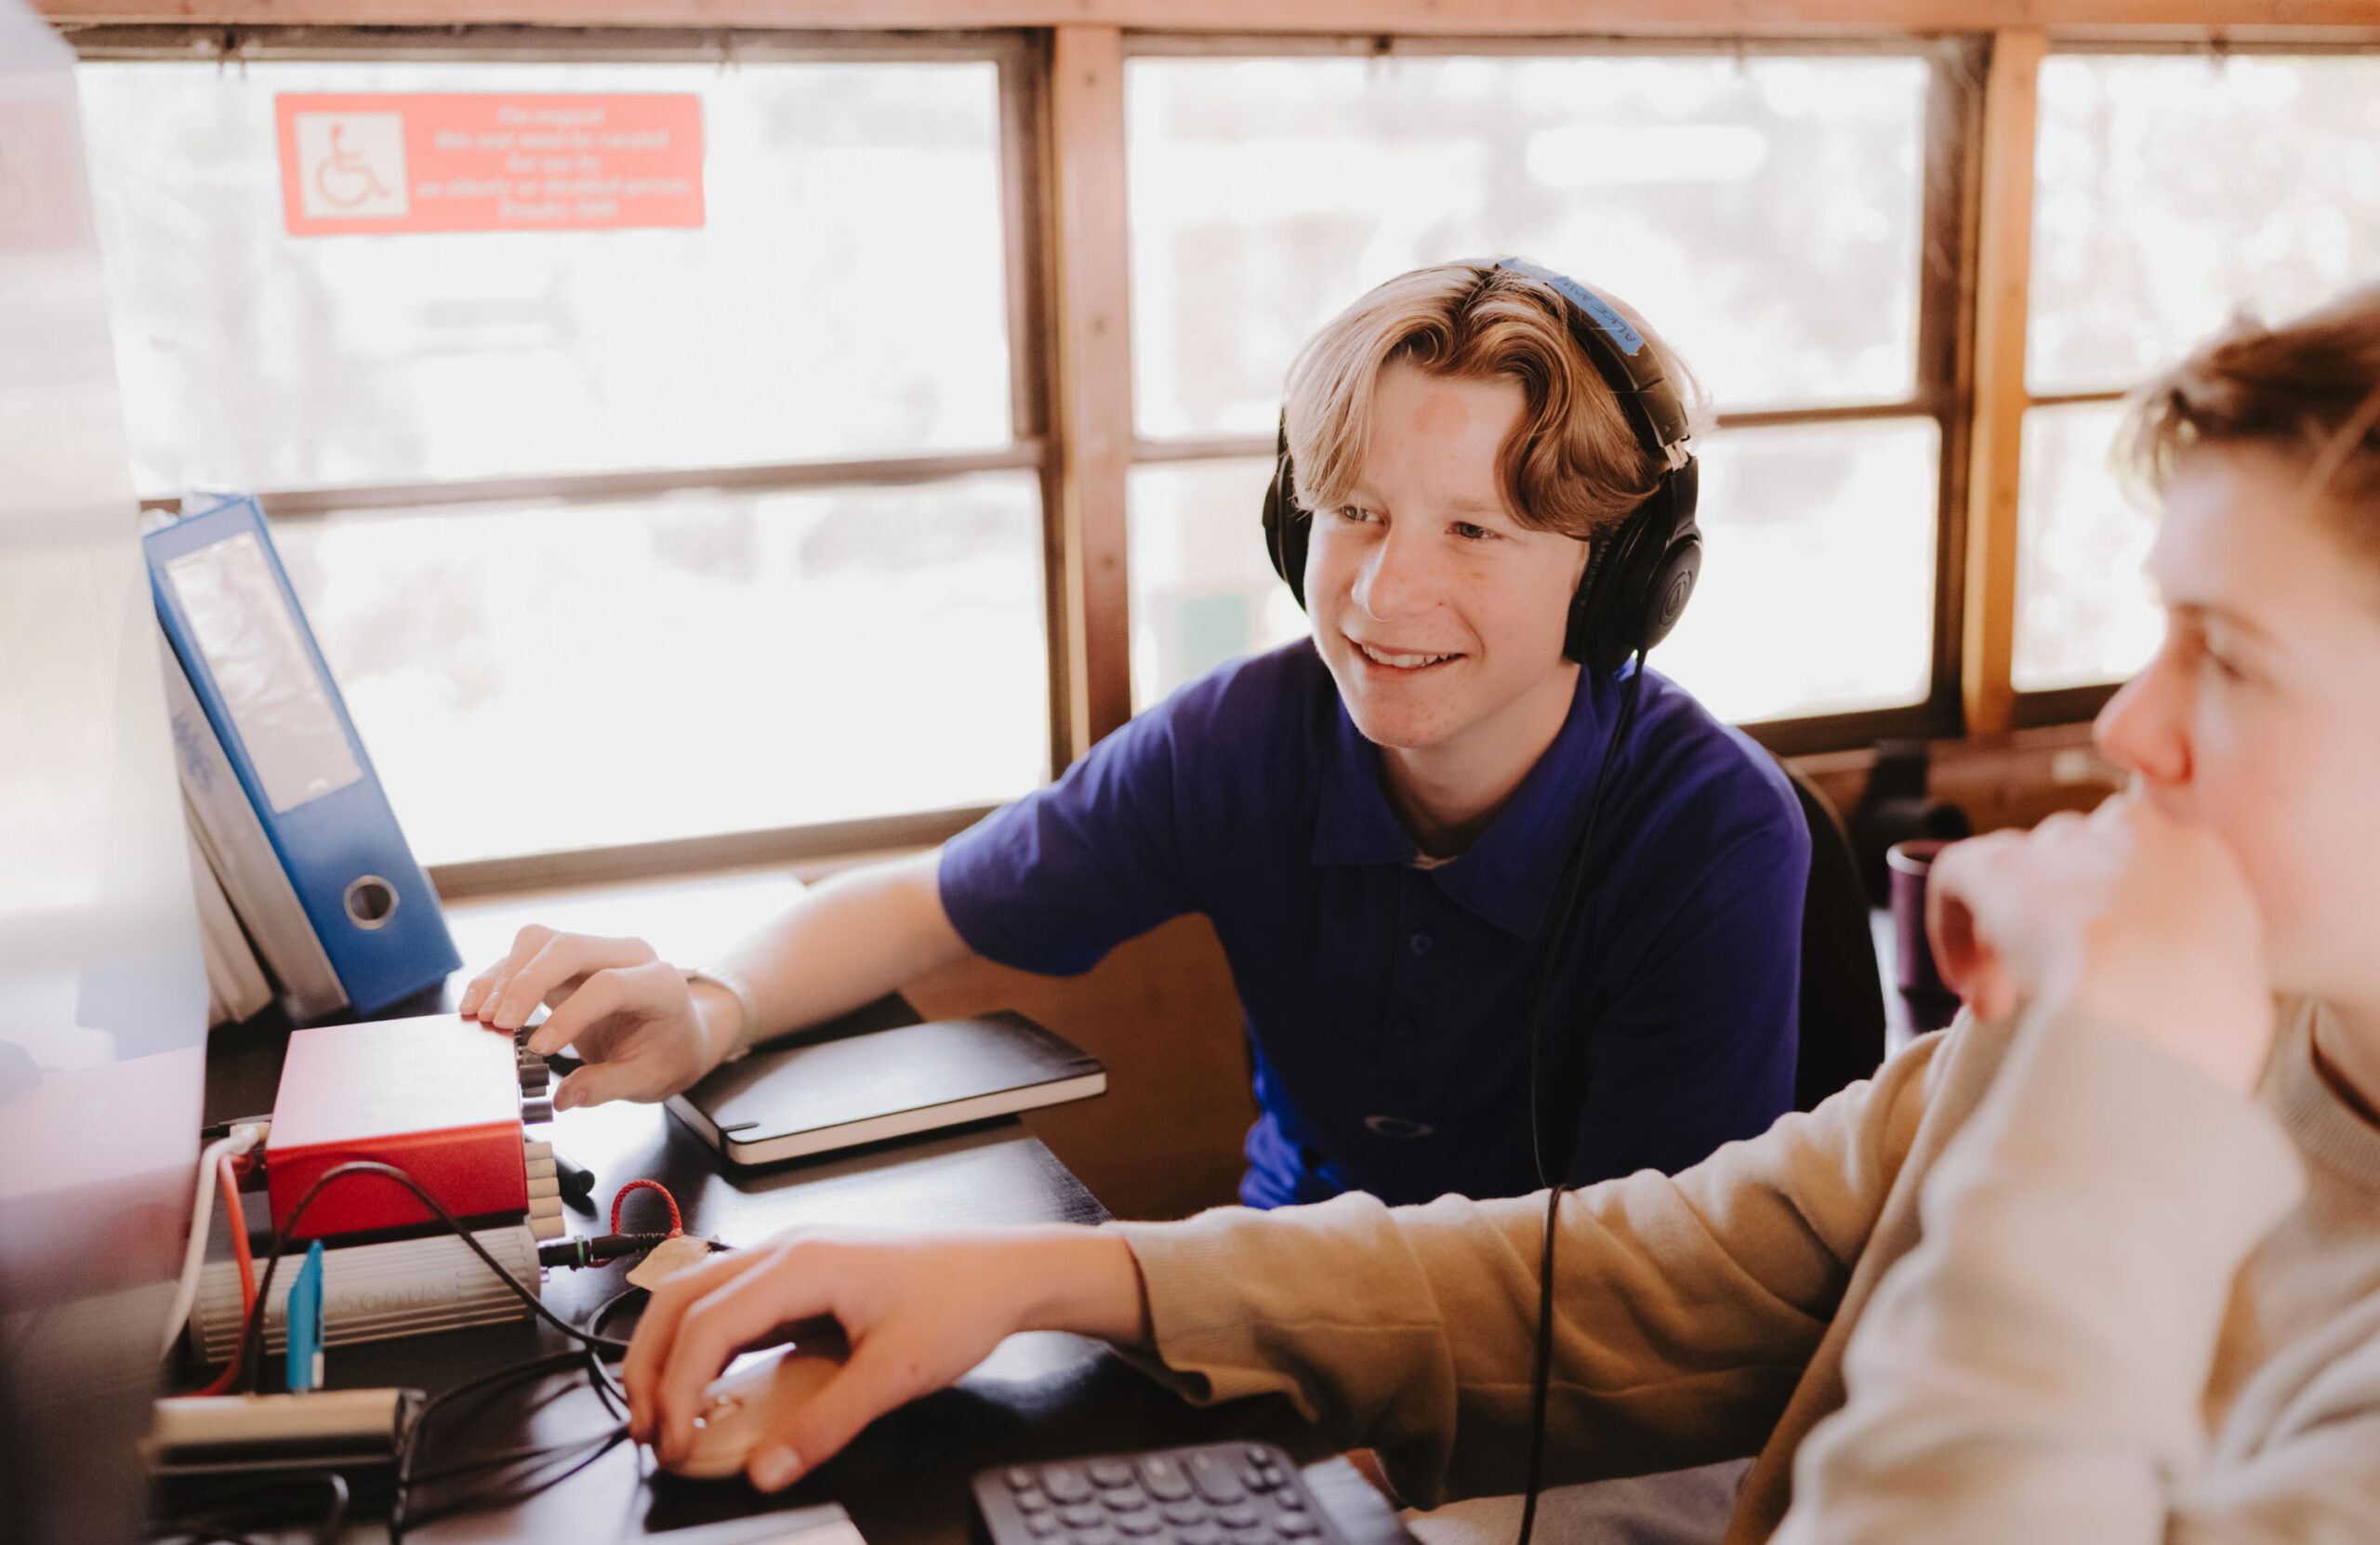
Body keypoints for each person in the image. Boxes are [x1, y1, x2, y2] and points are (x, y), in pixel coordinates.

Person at [617, 284, 2380, 1541]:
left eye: (2224, 656)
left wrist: (2110, 1126)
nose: (2128, 728)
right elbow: (1631, 1276)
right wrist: (1035, 1280)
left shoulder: (2084, 1058)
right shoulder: (2101, 1049)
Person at [463, 258, 1810, 1208]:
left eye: (1475, 530)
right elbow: (924, 907)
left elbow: (1646, 1300)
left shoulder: (1716, 838)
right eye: (1353, 510)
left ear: (1627, 580)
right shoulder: (1248, 736)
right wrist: (706, 1007)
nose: (1386, 592)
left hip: (1565, 1411)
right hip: (1289, 1315)